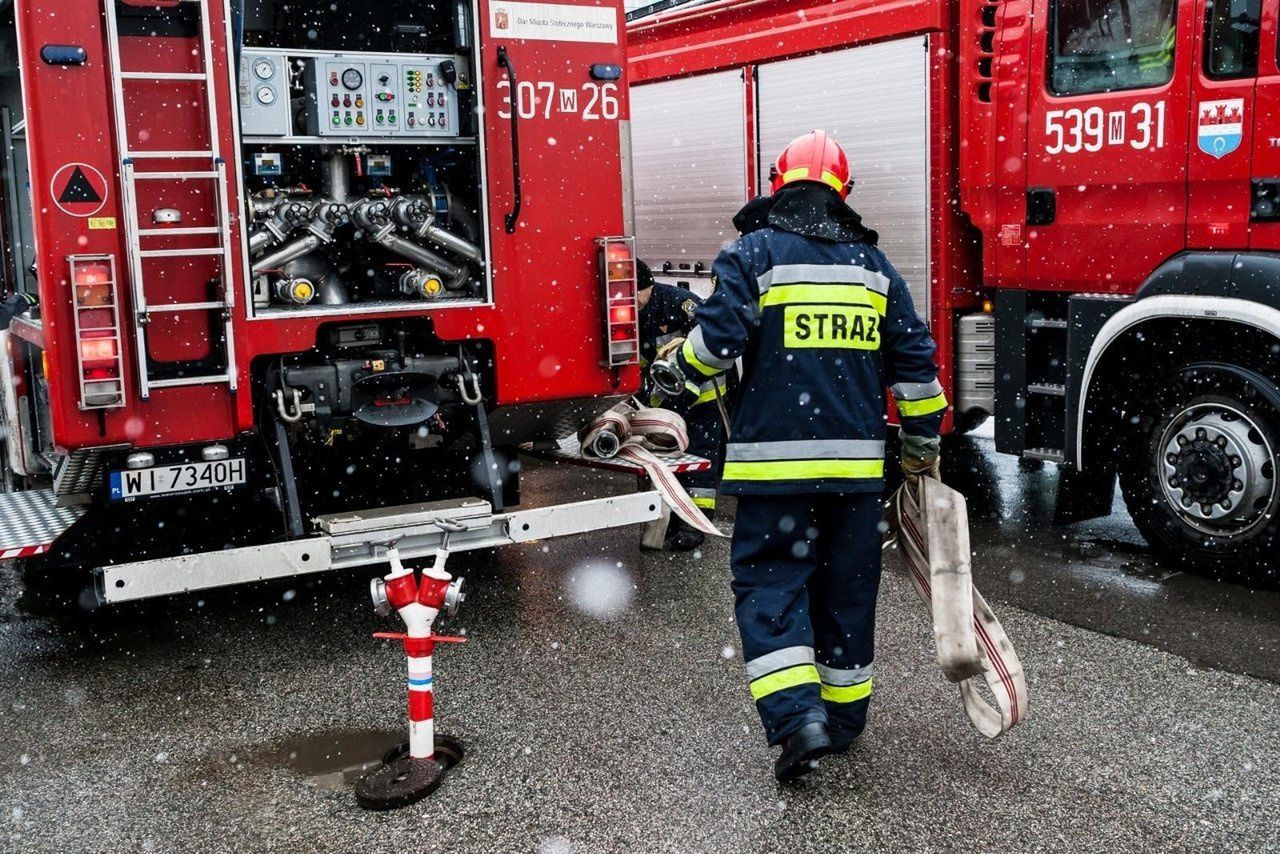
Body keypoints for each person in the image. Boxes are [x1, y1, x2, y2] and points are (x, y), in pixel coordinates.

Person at [654, 130, 946, 781]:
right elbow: (919, 372)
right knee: (847, 595)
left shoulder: (752, 255)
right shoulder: (876, 270)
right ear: (845, 191)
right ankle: (841, 722)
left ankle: (797, 720)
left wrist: (677, 376)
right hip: (857, 481)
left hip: (773, 480)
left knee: (770, 587)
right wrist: (923, 448)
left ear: (777, 182)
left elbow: (716, 345)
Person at [635, 259, 734, 551]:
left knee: (700, 458)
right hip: (668, 402)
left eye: (636, 294)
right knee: (669, 459)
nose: (633, 302)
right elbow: (642, 358)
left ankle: (697, 523)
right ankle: (673, 518)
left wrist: (683, 381)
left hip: (703, 397)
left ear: (648, 286)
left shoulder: (681, 304)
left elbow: (713, 341)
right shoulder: (635, 312)